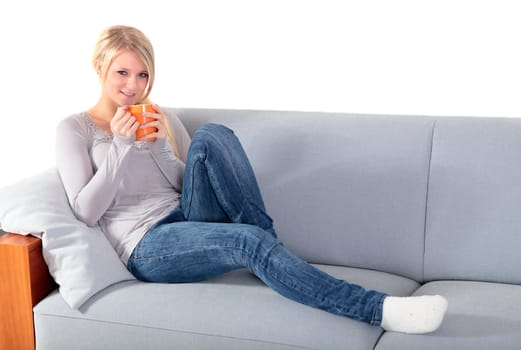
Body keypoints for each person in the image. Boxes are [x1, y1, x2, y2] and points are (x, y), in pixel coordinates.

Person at [55, 25, 448, 334]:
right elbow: (86, 212)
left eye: (142, 75)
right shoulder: (76, 128)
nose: (133, 85)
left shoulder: (159, 116)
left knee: (211, 135)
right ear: (99, 68)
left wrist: (158, 147)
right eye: (122, 72)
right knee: (247, 242)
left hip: (186, 218)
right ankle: (379, 309)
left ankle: (267, 247)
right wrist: (122, 146)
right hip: (147, 245)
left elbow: (183, 185)